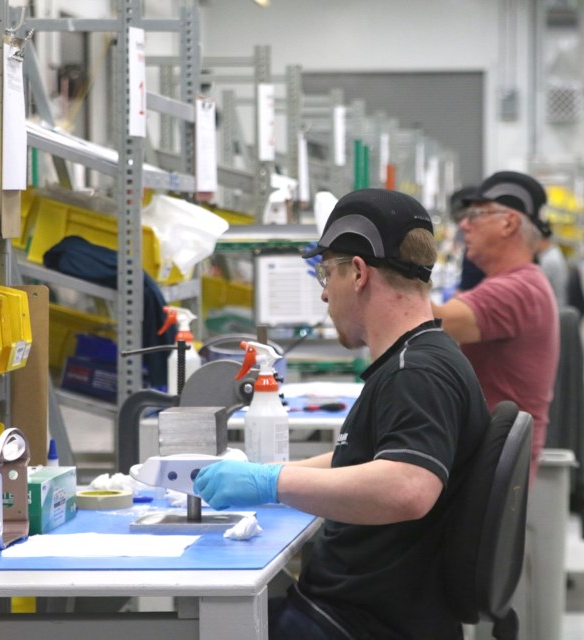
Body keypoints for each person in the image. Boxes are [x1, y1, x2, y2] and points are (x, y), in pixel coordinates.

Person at [194, 188, 491, 639]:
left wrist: (268, 483)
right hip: (358, 612)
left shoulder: (417, 374)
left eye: (324, 274)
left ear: (357, 273)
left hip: (351, 625)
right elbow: (361, 461)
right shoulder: (418, 358)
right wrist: (271, 474)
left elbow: (408, 487)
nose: (324, 296)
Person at [432, 171, 559, 481]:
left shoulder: (517, 289)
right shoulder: (515, 283)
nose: (464, 225)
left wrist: (378, 273)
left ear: (508, 222)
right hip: (484, 466)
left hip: (486, 478)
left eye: (476, 214)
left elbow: (426, 324)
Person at [450, 185, 486, 291]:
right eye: (458, 219)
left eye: (472, 216)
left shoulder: (483, 251)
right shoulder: (472, 251)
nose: (463, 225)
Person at [536, 225, 569, 307]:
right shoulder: (553, 251)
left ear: (542, 240)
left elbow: (536, 286)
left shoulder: (549, 261)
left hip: (554, 308)